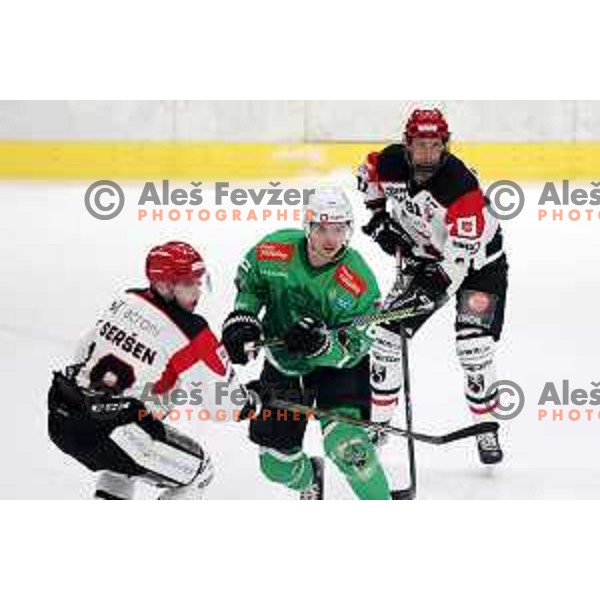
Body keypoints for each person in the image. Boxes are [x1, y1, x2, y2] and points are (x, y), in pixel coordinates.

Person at [357, 108, 508, 464]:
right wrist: (379, 217)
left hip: (478, 268)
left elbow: (456, 265)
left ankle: (485, 427)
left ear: (446, 145)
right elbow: (367, 174)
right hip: (423, 260)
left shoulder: (461, 190)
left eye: (435, 145)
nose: (427, 153)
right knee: (386, 338)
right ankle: (378, 426)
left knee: (474, 348)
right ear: (408, 144)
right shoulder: (391, 162)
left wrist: (430, 292)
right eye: (420, 145)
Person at [221, 187, 392, 499]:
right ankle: (310, 478)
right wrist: (244, 318)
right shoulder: (274, 251)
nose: (330, 239)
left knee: (349, 449)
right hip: (282, 364)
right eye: (322, 229)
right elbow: (251, 287)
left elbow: (357, 345)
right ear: (307, 226)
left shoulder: (358, 279)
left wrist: (324, 346)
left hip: (338, 371)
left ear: (348, 230)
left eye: (339, 229)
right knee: (276, 466)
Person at [47, 241, 231, 499]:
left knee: (120, 466)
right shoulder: (191, 331)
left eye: (199, 282)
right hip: (120, 433)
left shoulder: (125, 300)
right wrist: (252, 402)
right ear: (164, 285)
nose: (197, 292)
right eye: (189, 283)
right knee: (199, 473)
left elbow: (82, 351)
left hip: (64, 419)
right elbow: (223, 406)